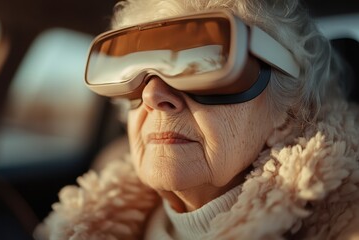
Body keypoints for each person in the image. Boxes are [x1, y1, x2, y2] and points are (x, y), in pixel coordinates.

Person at [35, 0, 359, 239]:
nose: (153, 95)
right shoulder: (85, 222)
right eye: (137, 71)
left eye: (204, 65)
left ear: (288, 115)